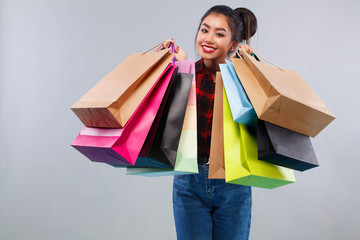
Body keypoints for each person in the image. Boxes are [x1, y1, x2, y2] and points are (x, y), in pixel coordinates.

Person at [165, 5, 257, 240]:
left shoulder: (242, 77)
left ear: (233, 44)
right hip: (189, 181)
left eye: (219, 34)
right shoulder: (187, 74)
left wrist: (250, 66)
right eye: (205, 30)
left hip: (233, 183)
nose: (208, 39)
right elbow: (167, 122)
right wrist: (176, 68)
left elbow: (260, 117)